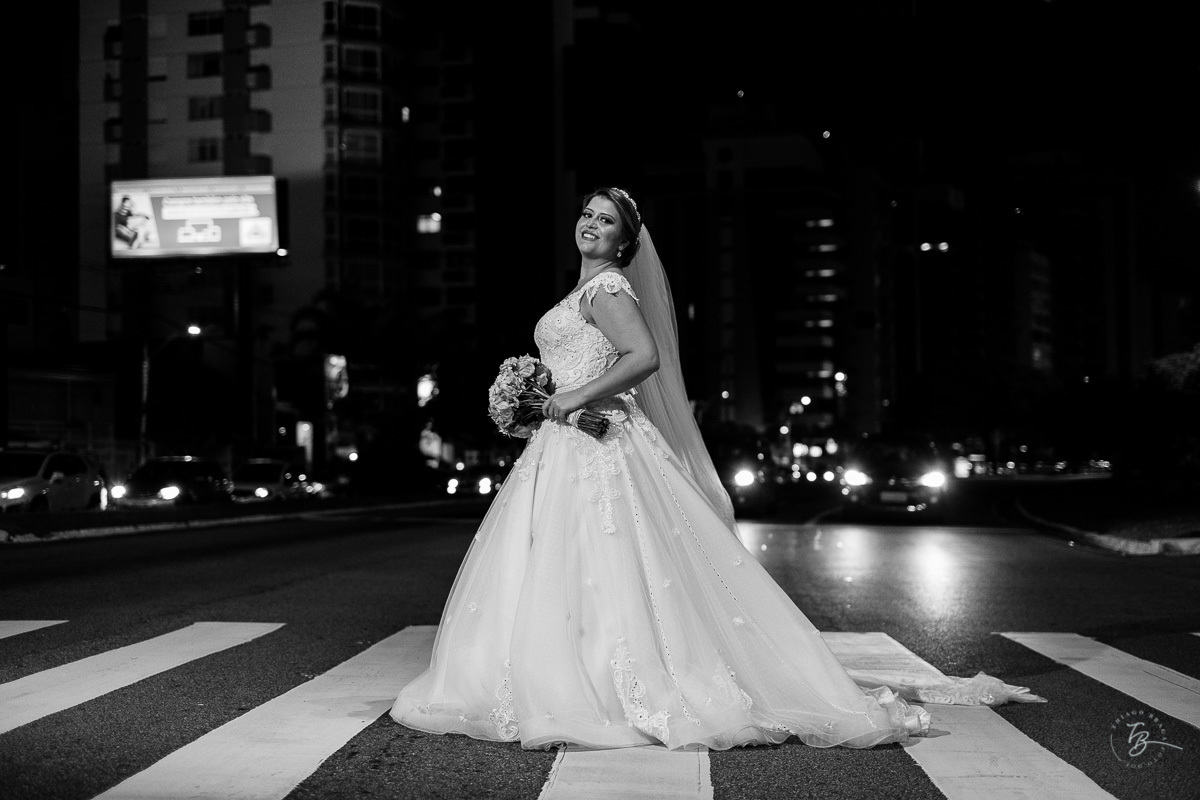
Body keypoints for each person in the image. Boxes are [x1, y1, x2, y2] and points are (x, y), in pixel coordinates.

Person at [390, 187, 1042, 751]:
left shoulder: (610, 288)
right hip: (569, 442)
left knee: (610, 563)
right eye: (587, 214)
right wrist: (538, 401)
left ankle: (612, 685)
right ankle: (561, 675)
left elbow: (642, 356)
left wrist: (573, 397)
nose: (591, 224)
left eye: (606, 220)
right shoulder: (583, 289)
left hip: (602, 441)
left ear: (625, 240)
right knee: (568, 564)